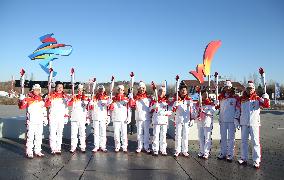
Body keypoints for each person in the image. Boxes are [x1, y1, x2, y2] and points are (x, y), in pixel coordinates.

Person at [236, 81, 270, 168]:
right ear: (246, 89)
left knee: (255, 142)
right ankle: (244, 158)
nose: (249, 90)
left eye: (251, 88)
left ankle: (256, 160)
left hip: (254, 123)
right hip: (244, 123)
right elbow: (238, 110)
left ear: (253, 89)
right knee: (243, 142)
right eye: (248, 88)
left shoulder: (258, 98)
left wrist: (266, 98)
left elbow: (266, 105)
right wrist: (236, 119)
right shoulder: (242, 99)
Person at [18, 84, 48, 158]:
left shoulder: (41, 99)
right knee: (30, 137)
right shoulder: (28, 98)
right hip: (31, 121)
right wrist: (21, 100)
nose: (37, 91)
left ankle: (37, 151)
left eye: (38, 90)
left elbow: (44, 110)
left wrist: (45, 118)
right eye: (35, 89)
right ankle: (29, 151)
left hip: (39, 121)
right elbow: (21, 107)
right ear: (32, 90)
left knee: (39, 137)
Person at [216, 80, 240, 162]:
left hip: (231, 120)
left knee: (231, 138)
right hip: (222, 120)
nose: (227, 89)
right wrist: (216, 103)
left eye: (229, 87)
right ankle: (223, 153)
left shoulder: (235, 97)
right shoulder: (221, 97)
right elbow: (217, 107)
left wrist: (236, 118)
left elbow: (238, 108)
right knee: (223, 138)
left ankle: (230, 154)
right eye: (226, 87)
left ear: (231, 87)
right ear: (224, 88)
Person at [45, 82, 69, 154]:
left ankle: (58, 148)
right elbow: (47, 105)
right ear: (55, 87)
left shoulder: (65, 96)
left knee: (59, 133)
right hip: (53, 116)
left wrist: (66, 116)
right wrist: (48, 99)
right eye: (58, 87)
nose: (60, 89)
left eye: (61, 87)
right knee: (52, 133)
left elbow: (67, 106)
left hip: (61, 117)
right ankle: (53, 148)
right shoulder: (51, 95)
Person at [172, 81, 195, 157]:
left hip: (186, 120)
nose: (183, 91)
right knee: (178, 135)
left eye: (184, 90)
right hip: (178, 120)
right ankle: (177, 150)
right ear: (179, 91)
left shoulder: (189, 99)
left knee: (185, 136)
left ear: (186, 91)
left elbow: (192, 110)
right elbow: (172, 110)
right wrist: (174, 105)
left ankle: (185, 150)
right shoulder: (176, 99)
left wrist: (192, 119)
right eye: (182, 90)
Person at [129, 81, 152, 153]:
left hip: (146, 118)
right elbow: (132, 106)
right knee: (139, 133)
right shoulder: (135, 98)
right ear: (138, 89)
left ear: (145, 89)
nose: (142, 89)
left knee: (146, 133)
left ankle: (146, 147)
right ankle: (139, 146)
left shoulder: (149, 98)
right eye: (140, 88)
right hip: (139, 118)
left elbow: (152, 108)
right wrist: (131, 99)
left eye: (143, 88)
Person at [89, 85, 111, 153]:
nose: (101, 91)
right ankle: (96, 146)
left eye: (102, 89)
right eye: (99, 89)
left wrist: (108, 116)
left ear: (104, 90)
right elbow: (91, 107)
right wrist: (91, 103)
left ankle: (103, 146)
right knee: (96, 133)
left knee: (103, 132)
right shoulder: (94, 98)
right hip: (95, 117)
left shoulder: (106, 98)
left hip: (103, 117)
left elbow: (108, 108)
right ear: (97, 90)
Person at [109, 85, 131, 152]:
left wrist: (129, 117)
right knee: (116, 134)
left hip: (123, 119)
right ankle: (117, 146)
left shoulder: (126, 99)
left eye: (121, 90)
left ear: (123, 91)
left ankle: (124, 146)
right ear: (117, 90)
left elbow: (129, 109)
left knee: (124, 134)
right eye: (119, 90)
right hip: (116, 119)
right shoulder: (113, 99)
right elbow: (110, 109)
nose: (120, 91)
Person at [151, 86, 172, 156]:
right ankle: (155, 149)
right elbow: (149, 110)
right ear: (158, 92)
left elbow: (171, 112)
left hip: (164, 121)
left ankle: (163, 149)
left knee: (163, 136)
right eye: (160, 91)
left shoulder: (167, 102)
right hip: (156, 120)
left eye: (163, 91)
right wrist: (154, 106)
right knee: (156, 135)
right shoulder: (154, 101)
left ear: (165, 93)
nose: (161, 92)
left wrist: (164, 113)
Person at [68, 84, 89, 153]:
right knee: (73, 134)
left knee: (82, 134)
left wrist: (88, 118)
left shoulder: (86, 99)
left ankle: (82, 147)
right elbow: (69, 104)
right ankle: (73, 147)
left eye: (81, 90)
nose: (80, 91)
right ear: (77, 90)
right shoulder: (74, 97)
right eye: (79, 90)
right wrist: (71, 99)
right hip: (74, 118)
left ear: (83, 90)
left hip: (82, 119)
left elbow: (88, 109)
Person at [196, 89, 216, 159]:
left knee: (207, 137)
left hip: (207, 121)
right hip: (200, 121)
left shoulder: (211, 102)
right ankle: (201, 151)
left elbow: (213, 111)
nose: (205, 96)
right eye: (203, 94)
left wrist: (204, 111)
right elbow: (195, 111)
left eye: (206, 94)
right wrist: (198, 113)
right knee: (201, 137)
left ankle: (206, 152)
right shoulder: (199, 103)